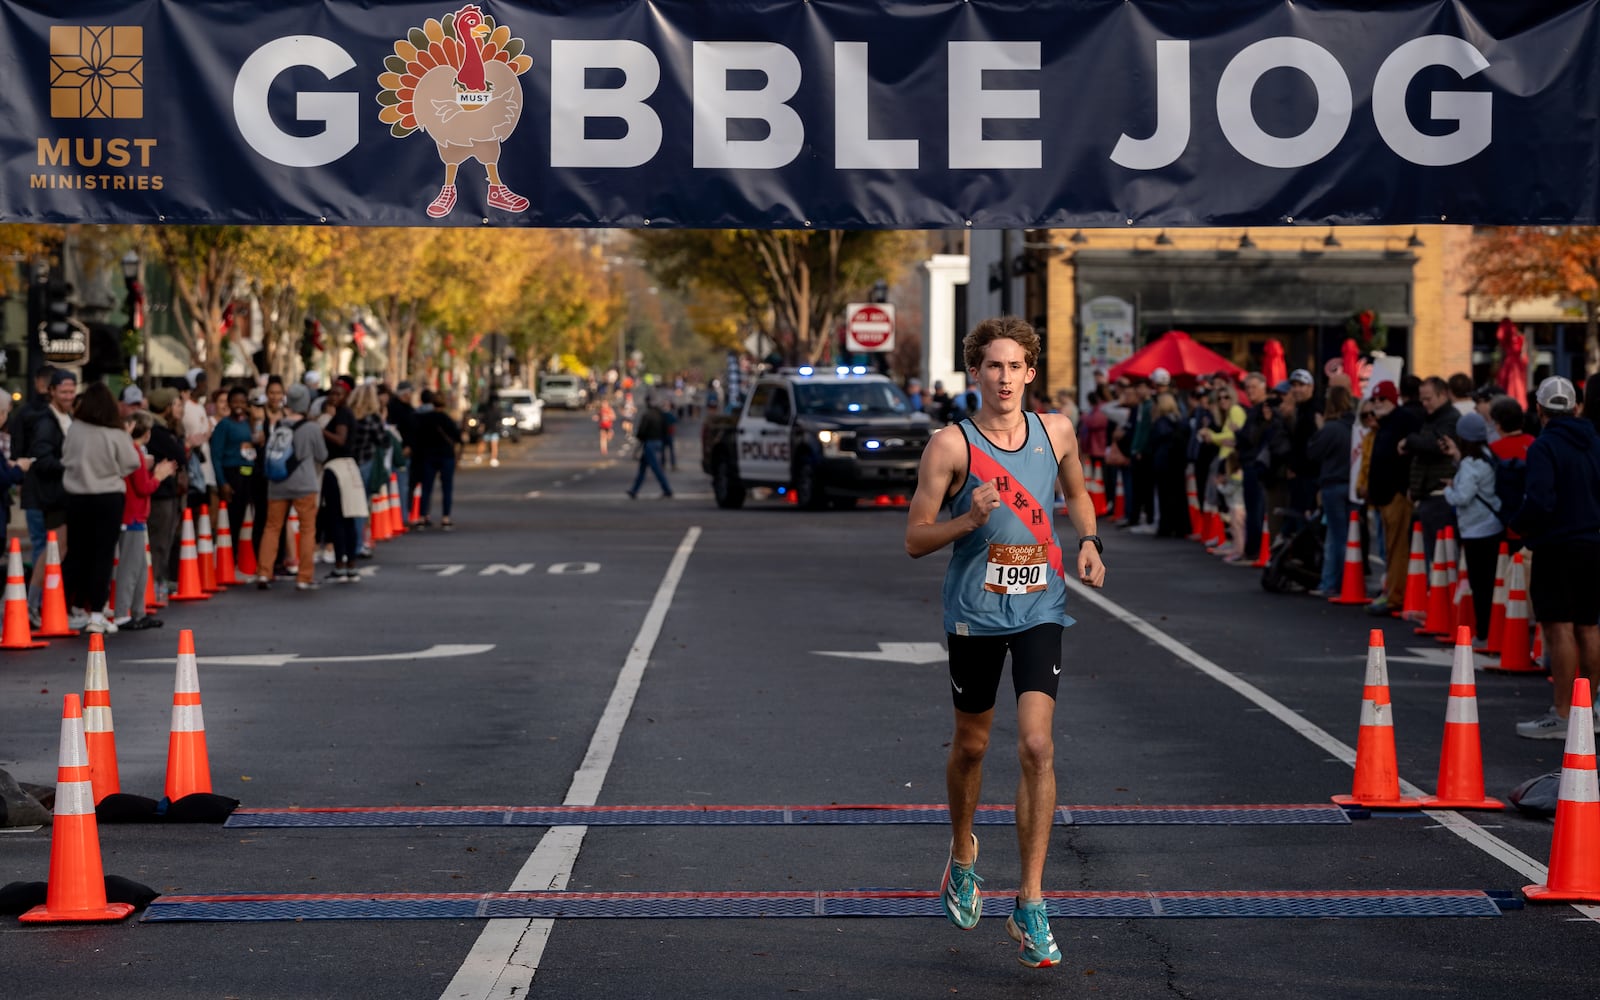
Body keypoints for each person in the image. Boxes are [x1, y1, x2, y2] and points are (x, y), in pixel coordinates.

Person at [904, 316, 1105, 970]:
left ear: (1031, 373)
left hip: (1039, 607)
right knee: (972, 745)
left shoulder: (1057, 431)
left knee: (1038, 743)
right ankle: (963, 851)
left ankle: (1031, 901)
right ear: (975, 372)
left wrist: (1089, 540)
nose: (1006, 377)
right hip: (974, 615)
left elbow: (1077, 489)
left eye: (1016, 366)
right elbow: (915, 539)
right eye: (994, 366)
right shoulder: (950, 446)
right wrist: (971, 517)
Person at [1509, 376, 1600, 740]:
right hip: (1592, 541)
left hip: (1557, 544)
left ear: (1539, 409)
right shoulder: (1594, 440)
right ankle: (1589, 709)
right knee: (1589, 626)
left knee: (1558, 626)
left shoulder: (1544, 447)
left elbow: (1540, 500)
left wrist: (1519, 526)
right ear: (1575, 406)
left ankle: (1563, 713)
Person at [62, 382, 140, 634]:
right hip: (107, 497)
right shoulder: (115, 433)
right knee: (102, 555)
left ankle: (68, 607)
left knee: (76, 553)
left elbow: (65, 458)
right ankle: (96, 612)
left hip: (75, 497)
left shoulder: (75, 429)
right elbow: (131, 462)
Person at [257, 384, 328, 591]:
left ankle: (264, 572)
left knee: (271, 527)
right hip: (304, 484)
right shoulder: (312, 428)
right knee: (307, 530)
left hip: (277, 483)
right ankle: (304, 576)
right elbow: (322, 455)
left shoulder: (279, 426)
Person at [1440, 412, 1504, 640]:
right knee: (1491, 582)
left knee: (1480, 585)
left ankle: (1484, 632)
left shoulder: (1469, 464)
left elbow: (1462, 497)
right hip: (1493, 526)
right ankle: (1491, 629)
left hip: (1475, 530)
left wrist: (1448, 489)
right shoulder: (1488, 456)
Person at [22, 368, 76, 622]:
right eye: (63, 391)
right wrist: (72, 464)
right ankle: (32, 604)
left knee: (57, 551)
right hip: (47, 497)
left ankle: (46, 605)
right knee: (52, 551)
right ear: (51, 391)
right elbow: (42, 460)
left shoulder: (67, 417)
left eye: (71, 390)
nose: (68, 395)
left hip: (60, 496)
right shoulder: (46, 421)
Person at [114, 409, 175, 630]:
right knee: (131, 569)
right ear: (147, 433)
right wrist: (159, 475)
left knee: (139, 569)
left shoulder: (133, 452)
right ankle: (123, 613)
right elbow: (143, 487)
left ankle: (137, 612)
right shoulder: (135, 454)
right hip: (132, 516)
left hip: (134, 515)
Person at [1363, 381, 1421, 616]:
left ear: (1393, 399)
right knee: (1390, 547)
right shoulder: (1386, 424)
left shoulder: (1402, 420)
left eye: (1382, 400)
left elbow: (1409, 454)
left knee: (1397, 548)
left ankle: (1396, 595)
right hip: (1384, 495)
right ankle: (1392, 591)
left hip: (1395, 494)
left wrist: (1405, 487)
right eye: (1375, 400)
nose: (1377, 404)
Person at [1399, 376, 1460, 558]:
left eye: (1428, 399)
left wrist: (1409, 441)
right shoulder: (1432, 418)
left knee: (1438, 557)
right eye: (1422, 399)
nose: (1424, 404)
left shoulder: (1450, 419)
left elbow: (1436, 445)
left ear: (1442, 395)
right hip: (1427, 496)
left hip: (1440, 496)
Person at [1306, 386, 1356, 597]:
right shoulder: (1357, 426)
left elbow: (1313, 453)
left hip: (1333, 484)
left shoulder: (1330, 428)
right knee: (1349, 536)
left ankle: (1334, 583)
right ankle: (1342, 580)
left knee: (1336, 537)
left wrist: (1320, 428)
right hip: (1352, 485)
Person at [317, 380, 366, 582]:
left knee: (339, 518)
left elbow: (340, 439)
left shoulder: (343, 414)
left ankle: (344, 564)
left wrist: (319, 428)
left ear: (346, 396)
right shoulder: (339, 413)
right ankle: (346, 564)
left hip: (338, 468)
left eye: (338, 394)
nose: (334, 398)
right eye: (331, 394)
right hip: (345, 468)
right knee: (343, 518)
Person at [145, 388, 187, 600]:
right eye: (177, 405)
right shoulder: (158, 432)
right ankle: (154, 583)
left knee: (167, 539)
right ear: (166, 407)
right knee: (159, 541)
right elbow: (179, 454)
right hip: (159, 494)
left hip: (168, 492)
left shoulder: (169, 430)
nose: (181, 409)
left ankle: (160, 580)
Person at [209, 386, 258, 550]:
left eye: (242, 402)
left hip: (248, 471)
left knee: (247, 514)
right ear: (229, 403)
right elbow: (216, 456)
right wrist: (222, 482)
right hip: (232, 473)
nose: (239, 405)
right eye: (235, 401)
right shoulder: (224, 425)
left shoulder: (249, 423)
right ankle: (231, 553)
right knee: (233, 516)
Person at [413, 389, 461, 530]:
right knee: (447, 488)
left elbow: (418, 438)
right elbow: (457, 437)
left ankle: (422, 517)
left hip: (429, 456)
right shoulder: (448, 419)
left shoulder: (425, 419)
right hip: (446, 456)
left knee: (426, 488)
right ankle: (445, 518)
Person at [626, 396, 674, 499]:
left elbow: (641, 431)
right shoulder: (660, 414)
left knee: (656, 469)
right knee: (642, 468)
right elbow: (666, 429)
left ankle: (667, 489)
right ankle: (634, 490)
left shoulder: (647, 415)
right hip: (658, 442)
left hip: (650, 443)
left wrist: (640, 441)